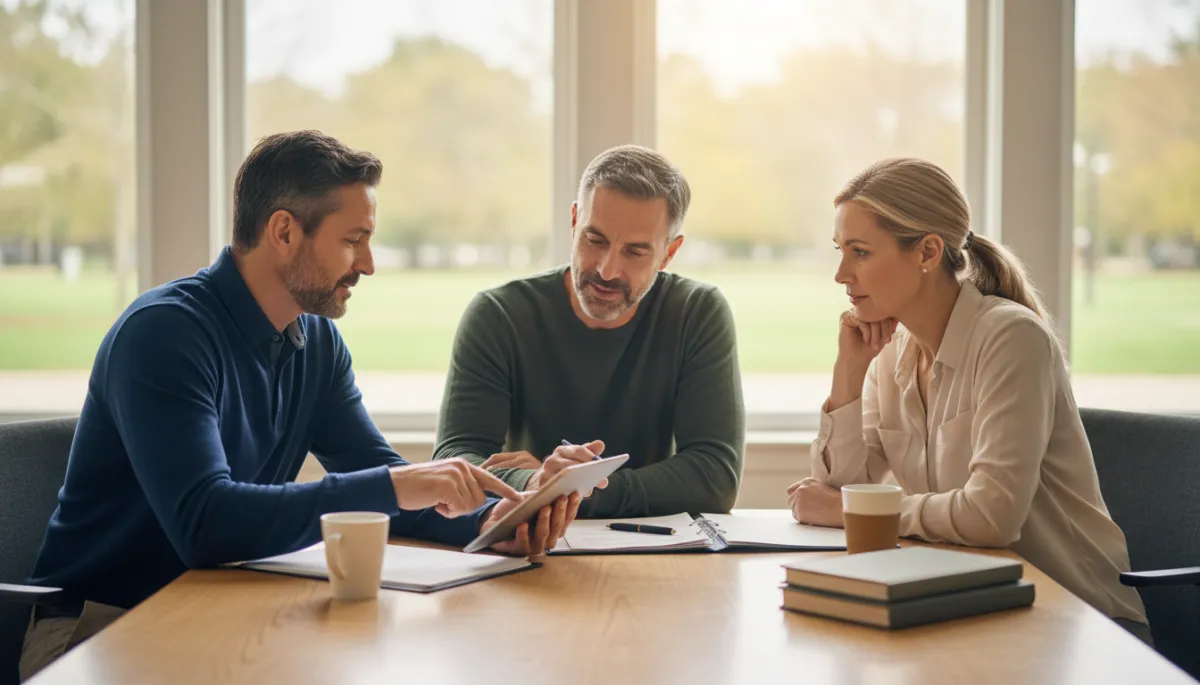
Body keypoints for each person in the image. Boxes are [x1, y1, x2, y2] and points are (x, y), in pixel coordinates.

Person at [19, 130, 581, 681]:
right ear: (284, 231)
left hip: (218, 613)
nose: (368, 264)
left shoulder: (315, 341)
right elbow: (205, 524)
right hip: (97, 632)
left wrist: (492, 525)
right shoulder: (164, 334)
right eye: (352, 239)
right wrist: (397, 485)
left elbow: (385, 482)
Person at [786, 157, 1150, 643]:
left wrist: (848, 510)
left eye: (860, 252)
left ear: (927, 252)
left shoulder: (1012, 339)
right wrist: (848, 374)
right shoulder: (892, 352)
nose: (841, 274)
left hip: (1078, 620)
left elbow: (990, 517)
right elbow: (842, 486)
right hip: (968, 604)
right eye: (840, 250)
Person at [432, 144, 745, 518]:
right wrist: (531, 483)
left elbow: (715, 478)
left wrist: (564, 489)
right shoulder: (498, 315)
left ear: (669, 253)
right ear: (574, 220)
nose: (607, 270)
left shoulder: (697, 313)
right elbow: (456, 458)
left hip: (650, 555)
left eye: (635, 252)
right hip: (523, 548)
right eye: (594, 240)